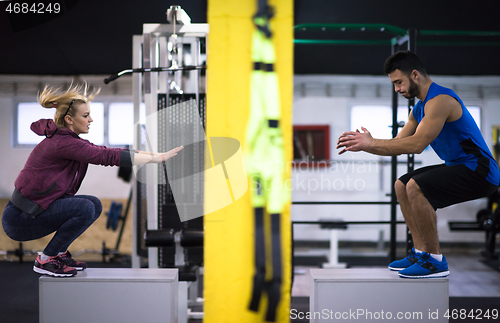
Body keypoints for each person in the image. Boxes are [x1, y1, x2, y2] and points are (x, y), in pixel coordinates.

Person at [336, 50, 499, 279]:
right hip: (460, 166)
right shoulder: (419, 109)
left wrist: (371, 143)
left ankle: (435, 261)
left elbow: (417, 145)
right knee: (401, 185)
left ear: (414, 75)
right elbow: (398, 144)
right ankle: (420, 253)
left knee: (415, 186)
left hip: (482, 170)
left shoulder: (441, 100)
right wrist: (368, 143)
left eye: (398, 82)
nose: (397, 89)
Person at [2, 84, 183, 277]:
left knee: (94, 204)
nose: (91, 119)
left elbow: (105, 152)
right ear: (69, 119)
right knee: (85, 208)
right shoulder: (63, 143)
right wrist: (155, 158)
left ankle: (59, 254)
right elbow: (106, 156)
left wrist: (154, 156)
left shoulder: (65, 138)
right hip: (21, 219)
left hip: (31, 212)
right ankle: (46, 259)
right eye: (86, 115)